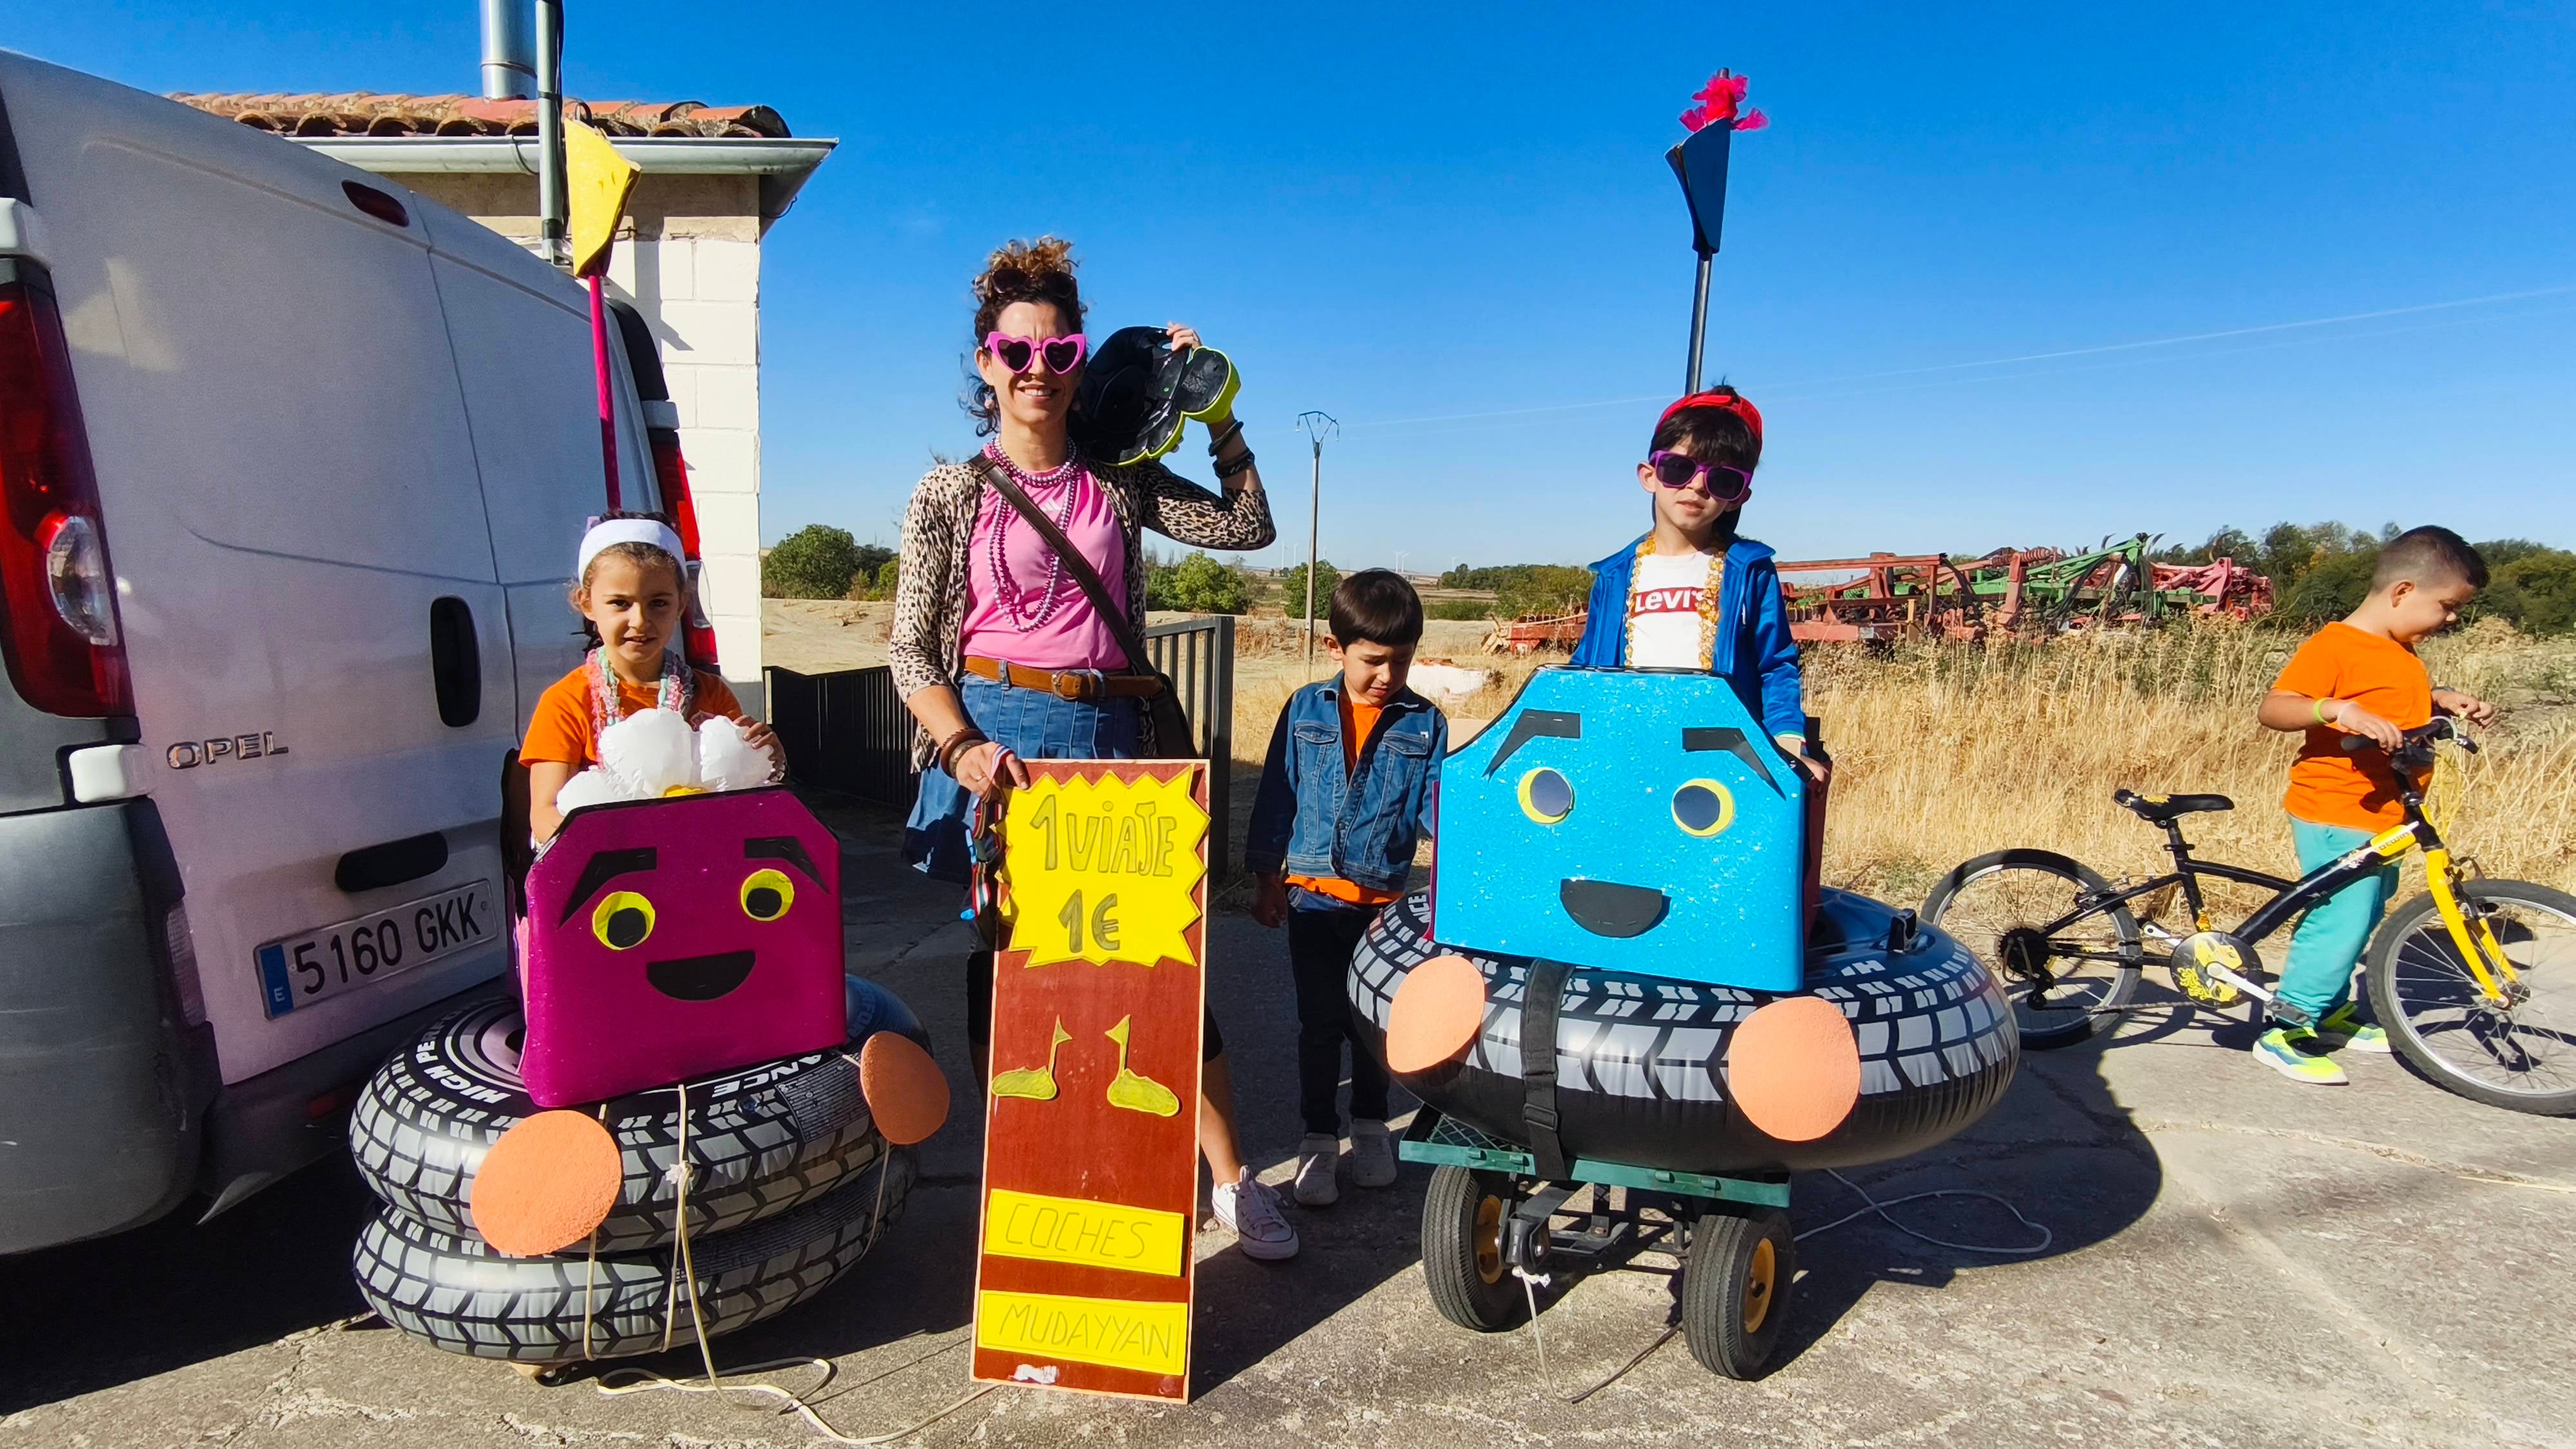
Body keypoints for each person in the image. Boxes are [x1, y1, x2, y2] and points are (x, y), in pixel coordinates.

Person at [887, 238, 1294, 1260]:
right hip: (1002, 740)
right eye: (1015, 354)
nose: (1037, 372)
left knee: (1161, 967)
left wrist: (1214, 408)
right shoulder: (948, 493)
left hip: (1117, 731)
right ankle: (1019, 1172)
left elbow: (1249, 526)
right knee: (1017, 973)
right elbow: (910, 647)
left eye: (1057, 351)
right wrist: (961, 748)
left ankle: (1234, 1182)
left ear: (1078, 358)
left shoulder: (1121, 480)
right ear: (986, 362)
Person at [2253, 526, 2496, 1084]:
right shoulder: (2335, 645)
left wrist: (2441, 699)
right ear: (2404, 591)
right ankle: (2287, 1026)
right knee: (2340, 919)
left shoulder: (2399, 649)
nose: (2452, 619)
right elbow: (2276, 707)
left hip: (2389, 812)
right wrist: (2334, 711)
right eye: (2449, 607)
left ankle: (2330, 1008)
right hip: (2337, 808)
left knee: (2366, 912)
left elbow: (2392, 700)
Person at [1245, 571, 1446, 1207]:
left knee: (1374, 1026)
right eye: (1372, 660)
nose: (1387, 675)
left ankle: (1369, 1126)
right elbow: (1277, 796)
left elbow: (1435, 811)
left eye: (1402, 660)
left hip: (1384, 905)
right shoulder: (1305, 709)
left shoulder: (1425, 723)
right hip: (1311, 898)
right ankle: (1316, 1141)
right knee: (1319, 1023)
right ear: (1336, 648)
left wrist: (1458, 877)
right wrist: (1265, 877)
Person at [1568, 388, 1821, 783]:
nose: (1697, 487)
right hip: (1624, 750)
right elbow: (1584, 669)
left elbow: (1776, 665)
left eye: (1721, 479)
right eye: (1679, 469)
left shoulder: (1749, 570)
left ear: (1739, 497)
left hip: (1720, 758)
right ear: (1649, 476)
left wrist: (1787, 745)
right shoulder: (1614, 575)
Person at [521, 513, 778, 846]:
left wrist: (770, 761)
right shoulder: (568, 702)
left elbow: (742, 792)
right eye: (620, 604)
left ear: (682, 603)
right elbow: (544, 813)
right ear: (586, 603)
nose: (640, 621)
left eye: (658, 603)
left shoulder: (710, 693)